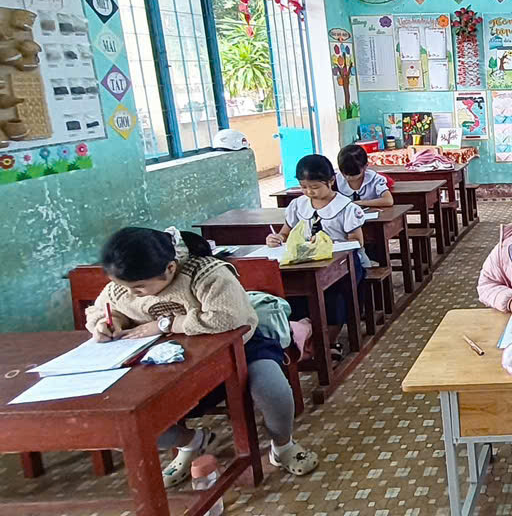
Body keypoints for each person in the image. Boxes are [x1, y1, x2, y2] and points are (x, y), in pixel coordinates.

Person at [85, 227, 319, 486]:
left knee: (272, 388)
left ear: (170, 268)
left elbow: (228, 318)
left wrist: (165, 324)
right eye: (124, 287)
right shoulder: (125, 286)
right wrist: (107, 323)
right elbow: (102, 309)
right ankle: (191, 442)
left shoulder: (206, 274)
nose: (131, 293)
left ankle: (283, 446)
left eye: (139, 288)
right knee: (123, 418)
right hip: (165, 360)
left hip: (240, 347)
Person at [267, 154, 365, 357]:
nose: (309, 192)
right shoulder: (298, 205)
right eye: (304, 187)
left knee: (334, 296)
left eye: (315, 187)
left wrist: (327, 245)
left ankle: (329, 342)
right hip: (306, 263)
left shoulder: (346, 207)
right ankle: (303, 338)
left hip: (343, 264)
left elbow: (356, 241)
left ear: (331, 181)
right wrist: (276, 238)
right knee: (293, 293)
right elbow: (285, 233)